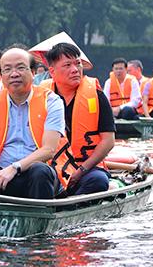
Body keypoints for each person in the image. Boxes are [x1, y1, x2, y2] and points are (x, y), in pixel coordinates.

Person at [0, 47, 62, 200]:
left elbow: (49, 149)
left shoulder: (51, 101)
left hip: (36, 175)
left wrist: (15, 167)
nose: (14, 74)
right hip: (0, 177)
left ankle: (37, 220)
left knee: (40, 171)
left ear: (34, 72)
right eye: (7, 69)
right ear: (1, 76)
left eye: (21, 68)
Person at [44, 42, 116, 195]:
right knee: (38, 175)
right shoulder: (42, 96)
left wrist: (82, 170)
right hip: (52, 166)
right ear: (52, 71)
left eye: (78, 64)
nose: (75, 70)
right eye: (68, 65)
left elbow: (108, 141)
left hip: (87, 167)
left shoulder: (96, 95)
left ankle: (69, 206)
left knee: (98, 181)